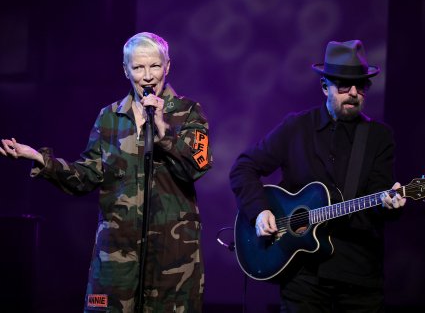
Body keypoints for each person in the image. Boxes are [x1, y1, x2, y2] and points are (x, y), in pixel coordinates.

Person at [1, 32, 212, 313]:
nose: (147, 76)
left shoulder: (188, 113)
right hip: (117, 258)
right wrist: (40, 159)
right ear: (126, 70)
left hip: (172, 259)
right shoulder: (110, 117)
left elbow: (197, 166)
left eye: (154, 66)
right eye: (138, 68)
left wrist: (163, 130)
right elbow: (86, 175)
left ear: (168, 67)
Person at [229, 40, 405, 312]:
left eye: (361, 86)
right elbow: (244, 168)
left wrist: (391, 204)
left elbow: (381, 201)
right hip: (302, 275)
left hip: (358, 275)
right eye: (344, 86)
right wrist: (260, 211)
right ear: (325, 87)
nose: (354, 93)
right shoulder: (296, 127)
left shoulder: (379, 138)